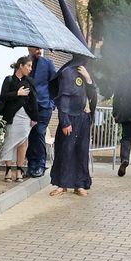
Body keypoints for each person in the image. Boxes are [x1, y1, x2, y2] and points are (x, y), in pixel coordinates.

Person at [49, 56, 98, 197]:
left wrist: (88, 80)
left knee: (82, 152)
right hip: (70, 119)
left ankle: (80, 184)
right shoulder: (67, 72)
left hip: (83, 118)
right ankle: (61, 184)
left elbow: (93, 96)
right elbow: (63, 98)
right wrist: (64, 121)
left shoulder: (86, 72)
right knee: (66, 151)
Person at [0, 55, 39, 182]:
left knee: (23, 143)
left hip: (25, 117)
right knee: (9, 141)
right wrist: (17, 93)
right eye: (28, 66)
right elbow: (3, 96)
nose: (30, 69)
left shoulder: (30, 82)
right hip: (11, 116)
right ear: (21, 66)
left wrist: (35, 117)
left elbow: (34, 100)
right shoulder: (9, 80)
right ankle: (8, 169)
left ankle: (19, 169)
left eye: (31, 66)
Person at [25, 46, 56, 177]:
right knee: (30, 136)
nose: (39, 50)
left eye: (40, 48)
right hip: (28, 106)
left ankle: (41, 165)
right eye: (35, 48)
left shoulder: (48, 63)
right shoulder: (25, 63)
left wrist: (52, 103)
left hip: (44, 106)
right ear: (29, 48)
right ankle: (31, 165)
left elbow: (55, 84)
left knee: (39, 133)